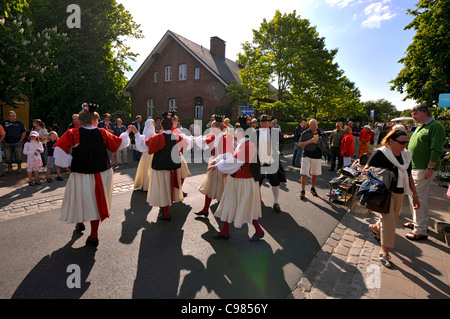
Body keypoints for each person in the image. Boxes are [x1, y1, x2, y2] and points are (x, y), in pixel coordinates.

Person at [54, 103, 132, 247]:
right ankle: (94, 235)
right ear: (93, 120)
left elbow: (58, 152)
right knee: (96, 202)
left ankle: (80, 223)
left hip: (81, 174)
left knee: (80, 198)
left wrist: (71, 163)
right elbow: (119, 144)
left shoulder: (73, 133)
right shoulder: (102, 132)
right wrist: (126, 134)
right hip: (101, 174)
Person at [364, 129, 419, 268]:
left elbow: (410, 176)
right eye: (401, 142)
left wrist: (415, 195)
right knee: (390, 223)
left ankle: (375, 228)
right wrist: (383, 174)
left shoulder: (406, 156)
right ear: (390, 141)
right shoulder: (381, 153)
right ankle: (385, 252)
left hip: (399, 193)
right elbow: (366, 169)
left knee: (392, 220)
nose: (405, 144)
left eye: (406, 142)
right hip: (385, 193)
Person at [207, 116, 264, 241]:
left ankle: (258, 230)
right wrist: (218, 161)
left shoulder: (247, 146)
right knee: (230, 203)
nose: (234, 134)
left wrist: (218, 166)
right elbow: (230, 156)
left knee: (244, 206)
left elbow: (235, 161)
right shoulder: (243, 144)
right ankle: (225, 231)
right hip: (238, 179)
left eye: (236, 131)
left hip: (244, 181)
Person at [132, 112, 189, 221]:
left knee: (162, 190)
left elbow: (143, 147)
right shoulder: (177, 136)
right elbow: (187, 145)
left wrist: (136, 134)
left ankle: (166, 212)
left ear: (161, 126)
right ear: (171, 125)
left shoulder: (158, 137)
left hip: (160, 168)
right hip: (173, 168)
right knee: (170, 188)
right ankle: (166, 209)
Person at [405, 104, 446, 240]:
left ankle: (420, 230)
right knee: (415, 197)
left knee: (418, 198)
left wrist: (430, 167)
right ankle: (418, 223)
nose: (413, 117)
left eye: (415, 114)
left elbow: (436, 149)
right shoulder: (421, 127)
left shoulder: (435, 126)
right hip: (416, 167)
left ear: (424, 113)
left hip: (424, 168)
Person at [194, 115, 233, 217]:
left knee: (222, 188)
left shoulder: (225, 138)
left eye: (213, 127)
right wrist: (191, 139)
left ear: (219, 128)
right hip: (213, 163)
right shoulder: (214, 136)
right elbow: (201, 140)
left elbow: (229, 154)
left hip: (222, 164)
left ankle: (225, 211)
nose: (211, 129)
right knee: (211, 186)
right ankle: (205, 209)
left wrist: (223, 166)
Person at [255, 114, 286, 213]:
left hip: (272, 161)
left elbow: (282, 142)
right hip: (259, 161)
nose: (264, 124)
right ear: (260, 123)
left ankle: (276, 202)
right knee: (257, 182)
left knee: (275, 182)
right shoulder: (255, 133)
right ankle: (257, 200)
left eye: (265, 123)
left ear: (269, 123)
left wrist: (278, 151)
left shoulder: (275, 132)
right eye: (262, 123)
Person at [298, 119, 325, 200]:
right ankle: (303, 190)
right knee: (304, 173)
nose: (315, 127)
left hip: (317, 156)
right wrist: (310, 141)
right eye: (313, 125)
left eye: (316, 125)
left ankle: (313, 188)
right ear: (309, 125)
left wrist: (321, 140)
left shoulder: (321, 132)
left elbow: (325, 144)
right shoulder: (305, 133)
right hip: (307, 155)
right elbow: (300, 144)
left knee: (315, 173)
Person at [133, 118, 156, 191]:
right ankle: (148, 184)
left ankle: (143, 184)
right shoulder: (151, 133)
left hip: (145, 153)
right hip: (150, 153)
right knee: (149, 169)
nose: (154, 125)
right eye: (153, 123)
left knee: (144, 169)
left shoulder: (146, 131)